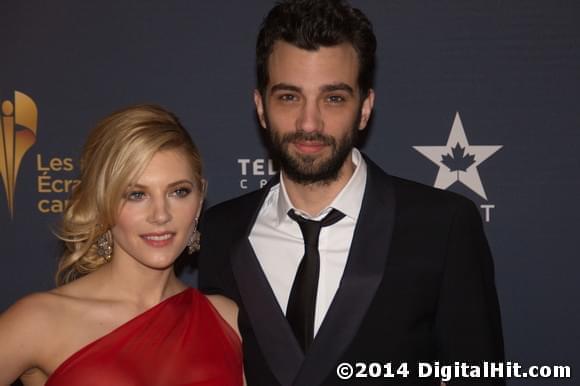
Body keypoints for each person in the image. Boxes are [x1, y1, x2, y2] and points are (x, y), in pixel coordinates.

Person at [198, 1, 504, 385]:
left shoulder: (442, 226)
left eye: (334, 98)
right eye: (289, 97)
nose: (309, 123)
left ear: (365, 108)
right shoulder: (221, 232)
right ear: (261, 106)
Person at [0, 105, 243, 386]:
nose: (161, 215)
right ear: (102, 203)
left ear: (199, 201)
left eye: (178, 192)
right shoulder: (40, 320)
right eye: (137, 194)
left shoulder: (227, 319)